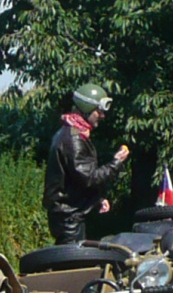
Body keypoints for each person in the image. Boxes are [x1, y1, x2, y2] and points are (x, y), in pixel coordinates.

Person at [43, 84, 130, 244]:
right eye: (99, 111)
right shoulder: (73, 138)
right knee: (74, 260)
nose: (102, 116)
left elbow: (75, 180)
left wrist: (96, 200)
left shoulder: (73, 132)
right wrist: (116, 163)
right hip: (70, 220)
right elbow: (89, 178)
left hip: (71, 215)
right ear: (86, 109)